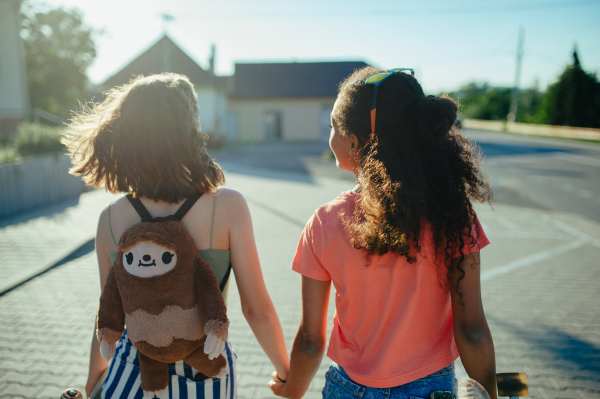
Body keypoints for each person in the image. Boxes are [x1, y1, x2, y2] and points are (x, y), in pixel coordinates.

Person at [268, 67, 497, 399]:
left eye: (333, 126)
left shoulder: (324, 222)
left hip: (349, 390)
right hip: (430, 390)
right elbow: (472, 330)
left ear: (354, 143)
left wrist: (293, 389)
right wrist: (490, 393)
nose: (329, 136)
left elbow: (311, 339)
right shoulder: (453, 215)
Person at [63, 73, 290, 398]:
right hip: (206, 372)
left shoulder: (110, 218)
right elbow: (257, 309)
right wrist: (286, 372)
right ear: (189, 131)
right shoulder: (226, 207)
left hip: (129, 374)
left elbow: (109, 314)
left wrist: (93, 380)